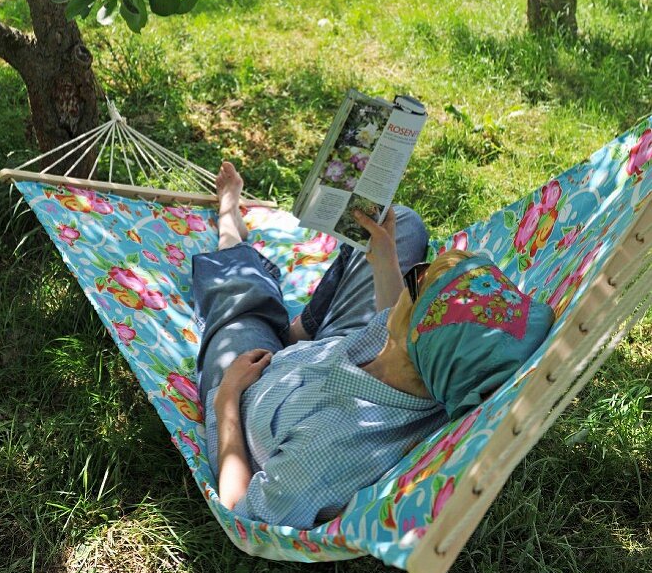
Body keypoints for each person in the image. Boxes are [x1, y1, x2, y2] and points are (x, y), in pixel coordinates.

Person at [192, 162, 554, 530]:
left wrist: (228, 401)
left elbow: (244, 509)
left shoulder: (326, 449)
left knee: (243, 295)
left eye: (418, 280)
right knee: (404, 225)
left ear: (411, 333)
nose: (420, 269)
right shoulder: (421, 365)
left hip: (247, 389)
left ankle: (229, 231)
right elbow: (398, 324)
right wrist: (384, 256)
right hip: (327, 355)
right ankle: (299, 329)